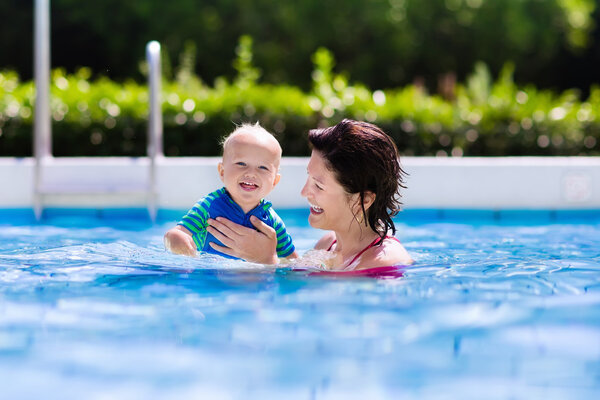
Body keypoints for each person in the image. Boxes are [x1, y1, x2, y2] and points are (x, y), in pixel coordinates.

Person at [206, 119, 413, 270]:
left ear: (364, 200)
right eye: (308, 178)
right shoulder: (327, 244)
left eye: (319, 186)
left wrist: (267, 260)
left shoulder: (384, 264)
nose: (304, 192)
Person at [163, 123, 297, 260]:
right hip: (207, 278)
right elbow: (176, 233)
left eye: (263, 167)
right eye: (241, 164)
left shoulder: (273, 223)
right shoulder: (209, 206)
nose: (251, 173)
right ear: (222, 171)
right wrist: (177, 240)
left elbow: (293, 262)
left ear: (274, 181)